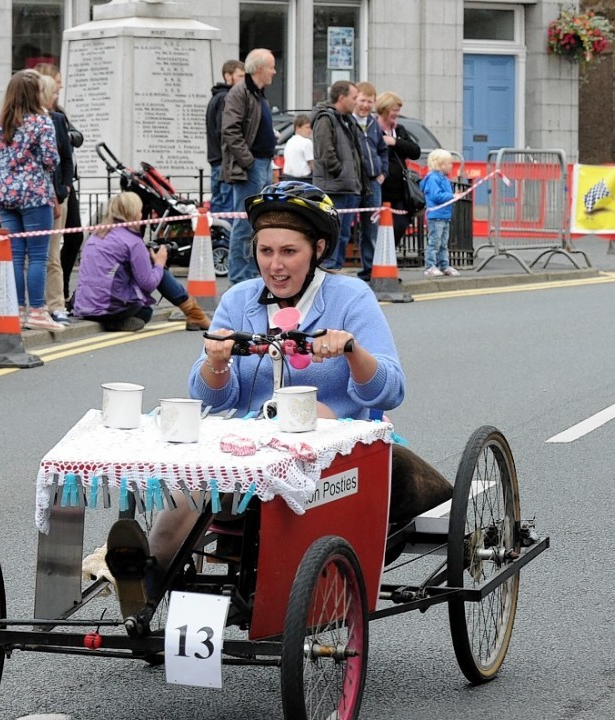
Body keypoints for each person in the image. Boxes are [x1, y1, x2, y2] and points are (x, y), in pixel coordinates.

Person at [100, 182, 445, 616]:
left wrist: (353, 350)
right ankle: (145, 581)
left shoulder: (351, 298)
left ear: (317, 248)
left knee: (294, 457)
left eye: (289, 252)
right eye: (265, 252)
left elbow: (391, 390)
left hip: (332, 455)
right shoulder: (239, 300)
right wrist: (217, 362)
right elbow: (208, 397)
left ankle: (274, 595)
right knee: (192, 483)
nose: (275, 265)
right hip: (250, 452)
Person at [0, 69, 63, 331]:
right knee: (37, 257)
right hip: (35, 197)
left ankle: (18, 310)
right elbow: (50, 160)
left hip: (5, 197)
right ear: (34, 94)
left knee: (16, 256)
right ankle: (37, 311)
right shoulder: (41, 123)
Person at [71, 192, 210, 332]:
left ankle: (113, 322)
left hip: (84, 305)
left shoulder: (95, 236)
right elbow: (148, 283)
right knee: (146, 310)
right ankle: (195, 315)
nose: (141, 214)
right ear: (132, 213)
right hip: (110, 307)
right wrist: (160, 263)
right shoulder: (132, 241)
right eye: (139, 210)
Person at [221, 48, 277, 284]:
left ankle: (252, 274)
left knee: (257, 223)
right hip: (251, 167)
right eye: (272, 67)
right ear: (260, 69)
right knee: (245, 224)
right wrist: (249, 161)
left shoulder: (258, 94)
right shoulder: (240, 92)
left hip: (262, 164)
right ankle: (240, 277)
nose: (275, 71)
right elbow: (230, 129)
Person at [34, 63, 85, 305]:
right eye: (57, 83)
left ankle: (59, 290)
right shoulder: (40, 118)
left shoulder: (57, 114)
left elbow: (74, 140)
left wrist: (64, 187)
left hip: (64, 186)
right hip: (47, 189)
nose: (61, 87)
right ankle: (50, 298)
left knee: (73, 238)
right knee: (47, 252)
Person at [310, 80, 364, 272]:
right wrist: (339, 171)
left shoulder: (346, 119)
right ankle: (328, 270)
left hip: (347, 186)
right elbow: (326, 151)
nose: (357, 102)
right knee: (332, 233)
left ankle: (335, 269)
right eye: (354, 98)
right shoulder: (326, 118)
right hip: (335, 187)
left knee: (342, 234)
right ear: (342, 98)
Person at [351, 81, 390, 281]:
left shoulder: (374, 124)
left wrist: (383, 172)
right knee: (344, 227)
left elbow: (383, 150)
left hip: (374, 183)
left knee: (371, 229)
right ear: (354, 100)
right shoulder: (347, 121)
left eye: (370, 102)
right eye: (362, 101)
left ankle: (369, 270)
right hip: (354, 182)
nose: (366, 105)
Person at [376, 92, 422, 242]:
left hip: (400, 189)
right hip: (380, 188)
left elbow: (415, 152)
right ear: (384, 109)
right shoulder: (373, 129)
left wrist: (394, 141)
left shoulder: (399, 130)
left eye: (398, 110)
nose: (397, 113)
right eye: (394, 110)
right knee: (376, 227)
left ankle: (388, 255)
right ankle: (378, 260)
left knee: (400, 224)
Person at [205, 59, 245, 214]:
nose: (243, 80)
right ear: (228, 76)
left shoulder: (216, 97)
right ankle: (224, 238)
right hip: (224, 162)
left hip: (217, 160)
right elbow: (226, 130)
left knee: (219, 206)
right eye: (240, 76)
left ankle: (218, 237)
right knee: (227, 209)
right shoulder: (226, 98)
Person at [421, 149, 458, 277]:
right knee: (434, 243)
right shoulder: (433, 178)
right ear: (441, 165)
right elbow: (436, 196)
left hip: (444, 216)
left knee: (443, 244)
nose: (451, 165)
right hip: (436, 216)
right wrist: (452, 196)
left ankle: (444, 265)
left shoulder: (443, 178)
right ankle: (430, 266)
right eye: (449, 163)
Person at [280, 114, 314, 181]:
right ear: (298, 128)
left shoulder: (289, 142)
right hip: (304, 179)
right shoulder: (307, 142)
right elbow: (312, 164)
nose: (310, 130)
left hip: (288, 177)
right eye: (307, 127)